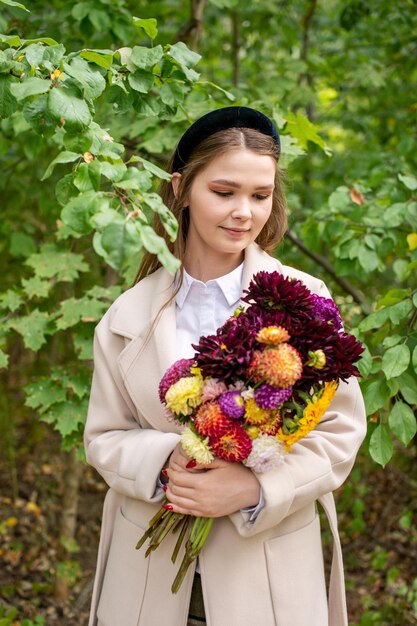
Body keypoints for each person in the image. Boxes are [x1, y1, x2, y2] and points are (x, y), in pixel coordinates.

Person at [84, 106, 367, 626]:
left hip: (264, 572)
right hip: (148, 573)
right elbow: (104, 437)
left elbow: (340, 433)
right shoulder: (128, 314)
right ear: (180, 188)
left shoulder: (302, 301)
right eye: (224, 192)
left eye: (260, 196)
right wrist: (172, 460)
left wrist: (255, 487)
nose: (243, 212)